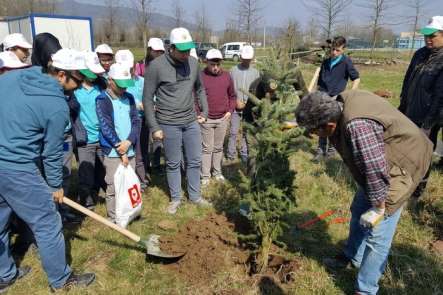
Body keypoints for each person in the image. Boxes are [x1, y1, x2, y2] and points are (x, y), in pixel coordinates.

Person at [295, 90, 433, 295]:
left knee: (378, 232)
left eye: (316, 132)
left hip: (404, 162)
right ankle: (352, 257)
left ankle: (365, 289)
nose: (314, 136)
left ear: (330, 126)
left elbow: (375, 169)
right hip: (381, 157)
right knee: (359, 209)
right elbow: (369, 162)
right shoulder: (336, 105)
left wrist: (379, 206)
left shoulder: (357, 126)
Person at [0, 48, 95, 292]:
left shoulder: (12, 77)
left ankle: (4, 275)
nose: (80, 84)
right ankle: (61, 280)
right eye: (78, 79)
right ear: (62, 75)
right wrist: (55, 186)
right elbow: (52, 154)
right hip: (16, 167)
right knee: (47, 221)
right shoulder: (56, 106)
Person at [143, 27, 210, 214]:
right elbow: (147, 99)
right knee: (173, 162)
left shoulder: (194, 63)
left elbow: (200, 89)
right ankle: (175, 198)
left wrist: (205, 110)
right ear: (170, 48)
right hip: (167, 122)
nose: (186, 53)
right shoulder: (156, 67)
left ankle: (195, 196)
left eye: (188, 49)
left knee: (195, 160)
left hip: (190, 121)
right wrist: (154, 126)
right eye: (182, 50)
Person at [399, 15, 443, 197]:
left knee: (423, 154)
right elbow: (408, 81)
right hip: (409, 112)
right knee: (404, 149)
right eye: (426, 35)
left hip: (428, 117)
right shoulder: (419, 54)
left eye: (433, 35)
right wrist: (402, 107)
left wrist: (428, 125)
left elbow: (440, 96)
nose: (428, 39)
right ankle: (403, 183)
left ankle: (418, 191)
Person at [96, 63, 140, 223]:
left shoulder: (129, 98)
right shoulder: (102, 99)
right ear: (110, 80)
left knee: (129, 183)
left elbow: (136, 121)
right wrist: (120, 149)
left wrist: (129, 141)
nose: (124, 89)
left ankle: (130, 211)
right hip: (113, 151)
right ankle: (113, 217)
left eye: (126, 85)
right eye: (121, 85)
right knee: (113, 185)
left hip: (130, 147)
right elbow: (106, 127)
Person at [315, 36, 360, 161]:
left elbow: (356, 78)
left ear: (343, 50)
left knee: (333, 125)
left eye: (338, 50)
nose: (334, 52)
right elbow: (320, 82)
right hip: (323, 97)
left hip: (336, 98)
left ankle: (331, 151)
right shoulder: (325, 62)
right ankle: (320, 150)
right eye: (333, 49)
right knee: (322, 124)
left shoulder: (346, 62)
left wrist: (351, 94)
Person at [72, 51, 107, 210]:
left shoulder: (101, 87)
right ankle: (85, 203)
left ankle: (98, 193)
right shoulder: (75, 90)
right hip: (85, 139)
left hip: (101, 137)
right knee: (86, 172)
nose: (94, 75)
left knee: (102, 171)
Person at [199, 49, 237, 186]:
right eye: (212, 64)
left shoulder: (227, 76)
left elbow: (233, 95)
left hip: (222, 118)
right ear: (206, 62)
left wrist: (230, 111)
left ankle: (217, 172)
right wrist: (199, 114)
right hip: (206, 119)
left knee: (218, 147)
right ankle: (205, 175)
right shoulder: (201, 76)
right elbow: (194, 96)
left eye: (218, 64)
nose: (215, 67)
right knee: (206, 148)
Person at [115, 49, 149, 190]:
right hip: (122, 122)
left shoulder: (141, 81)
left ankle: (141, 179)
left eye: (129, 67)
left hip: (140, 121)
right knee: (124, 151)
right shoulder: (114, 82)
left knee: (140, 151)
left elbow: (150, 98)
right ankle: (124, 180)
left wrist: (146, 104)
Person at [226, 45, 260, 163]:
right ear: (241, 57)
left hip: (249, 108)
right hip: (236, 107)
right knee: (233, 131)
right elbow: (229, 88)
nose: (246, 60)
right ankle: (231, 154)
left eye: (248, 59)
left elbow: (257, 91)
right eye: (244, 58)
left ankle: (245, 152)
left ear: (252, 58)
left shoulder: (256, 73)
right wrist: (235, 101)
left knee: (247, 132)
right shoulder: (233, 71)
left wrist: (248, 103)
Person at [144, 38, 166, 172]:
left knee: (158, 137)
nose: (158, 54)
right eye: (155, 51)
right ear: (149, 50)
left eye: (161, 52)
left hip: (160, 106)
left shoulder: (164, 66)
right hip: (145, 106)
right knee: (145, 138)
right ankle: (146, 165)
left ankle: (157, 164)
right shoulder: (140, 67)